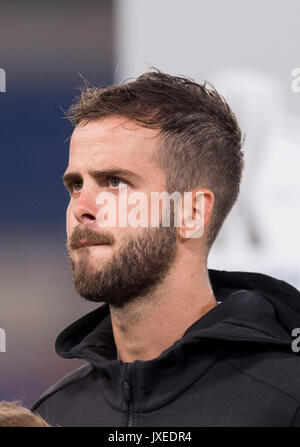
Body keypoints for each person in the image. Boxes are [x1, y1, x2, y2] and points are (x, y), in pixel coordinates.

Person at [31, 70, 300, 427]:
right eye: (76, 184)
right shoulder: (51, 416)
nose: (82, 206)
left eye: (115, 182)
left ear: (190, 213)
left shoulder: (288, 400)